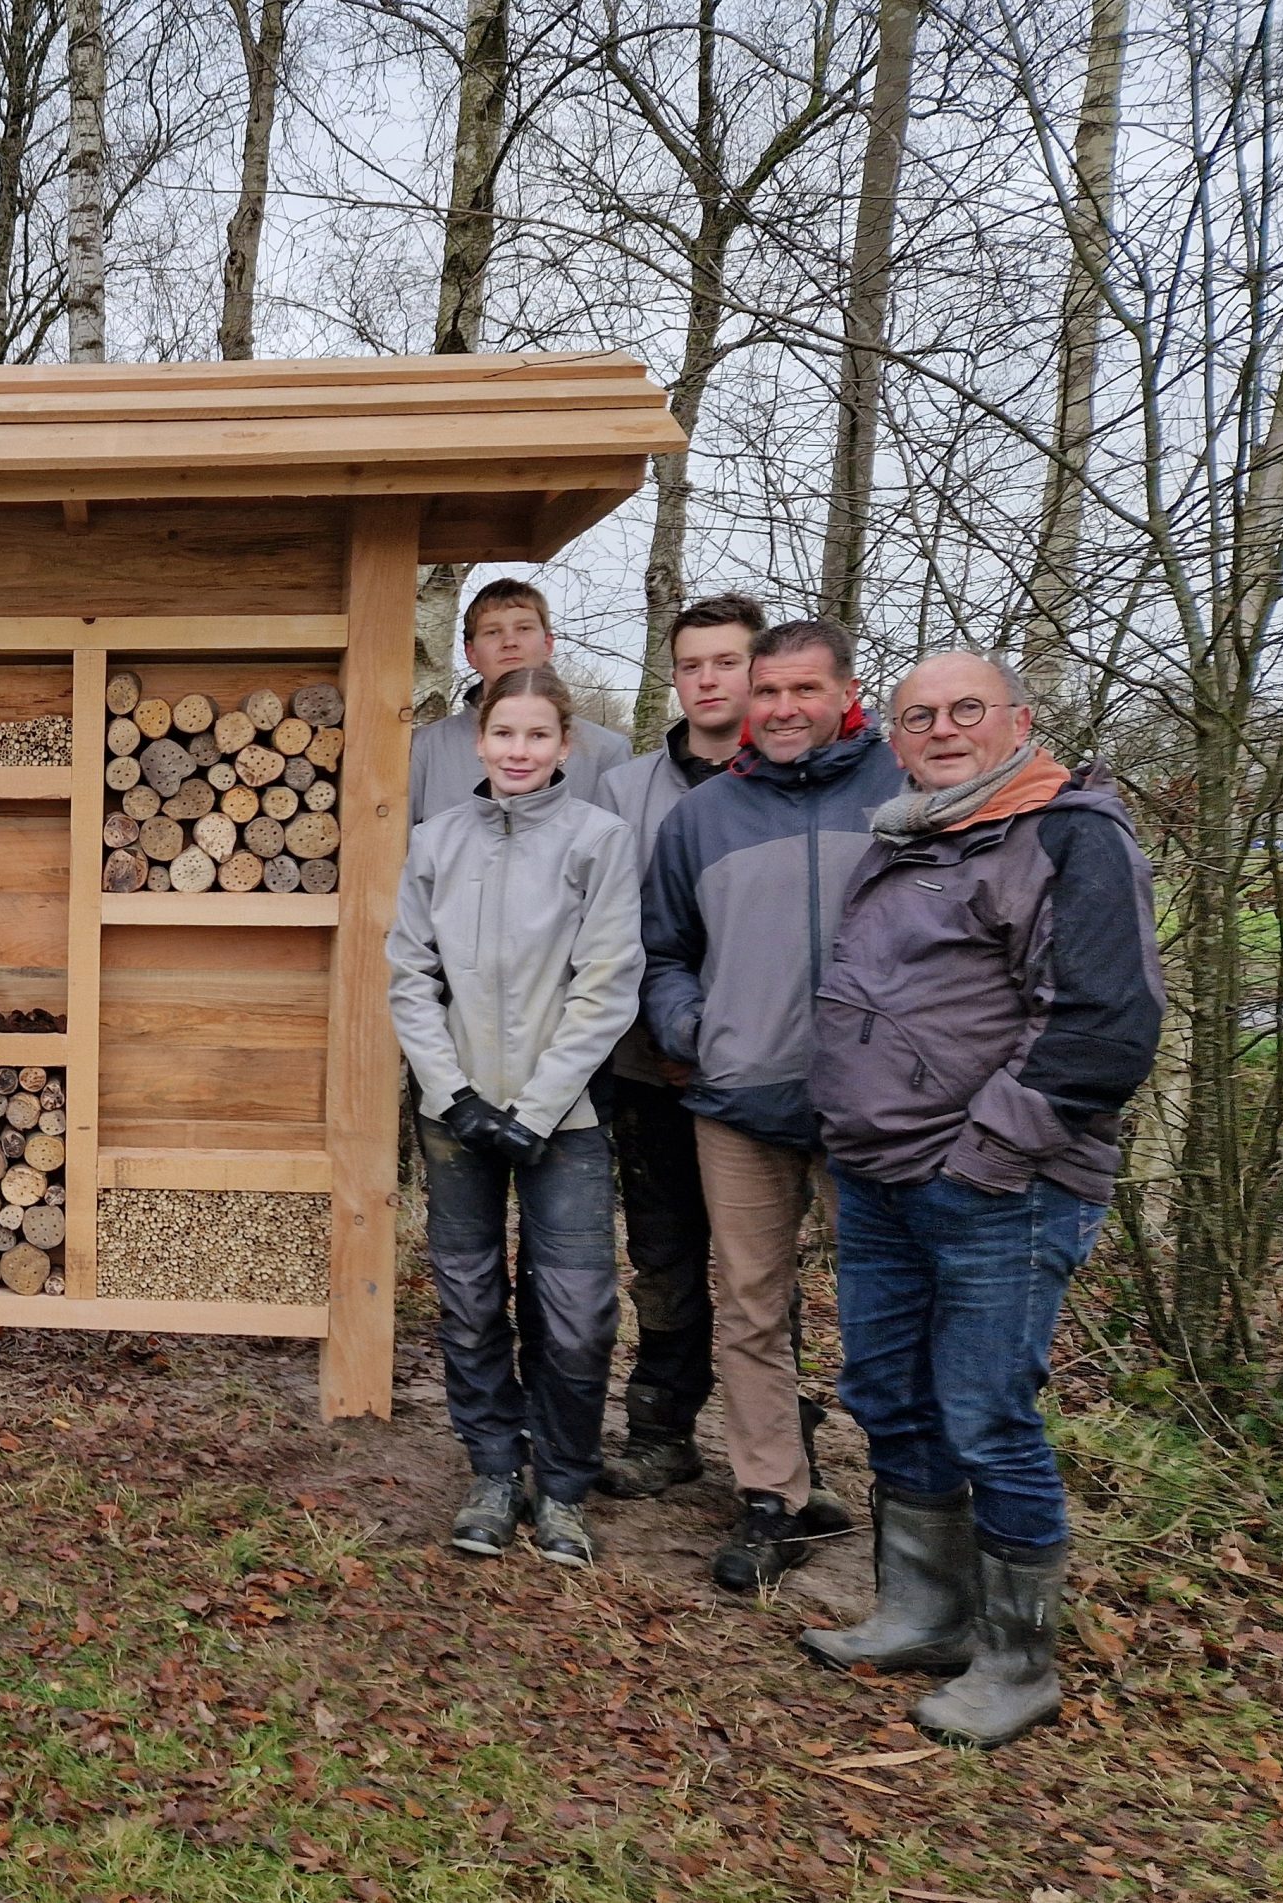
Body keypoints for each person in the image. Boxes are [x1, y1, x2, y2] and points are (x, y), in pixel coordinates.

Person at [802, 652, 1161, 1748]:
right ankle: (925, 1612)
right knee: (890, 1395)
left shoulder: (1070, 837)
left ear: (1019, 720)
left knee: (986, 1415)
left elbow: (1101, 1029)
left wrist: (983, 1159)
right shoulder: (913, 833)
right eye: (918, 716)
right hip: (880, 1178)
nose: (943, 729)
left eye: (967, 709)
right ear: (893, 737)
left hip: (999, 1186)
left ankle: (1016, 1662)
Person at [641, 616, 903, 1591]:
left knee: (891, 1312)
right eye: (769, 691)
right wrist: (692, 1030)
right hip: (741, 1098)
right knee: (750, 1307)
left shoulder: (905, 792)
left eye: (805, 689)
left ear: (846, 692)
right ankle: (772, 1497)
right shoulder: (703, 816)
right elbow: (662, 948)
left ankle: (915, 1507)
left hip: (882, 1106)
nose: (784, 708)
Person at [387, 666, 642, 1568]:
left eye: (537, 735)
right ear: (480, 741)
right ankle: (494, 1469)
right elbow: (410, 977)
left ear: (565, 744)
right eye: (504, 734)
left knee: (574, 1308)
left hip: (562, 1119)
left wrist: (536, 1109)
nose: (519, 751)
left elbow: (607, 984)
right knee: (468, 1297)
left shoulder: (599, 841)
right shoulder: (436, 842)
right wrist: (453, 1093)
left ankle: (563, 1485)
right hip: (456, 1114)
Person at [590, 594, 759, 1499]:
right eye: (691, 665)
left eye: (726, 662)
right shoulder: (628, 792)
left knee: (760, 1266)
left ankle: (779, 1449)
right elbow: (607, 928)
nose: (707, 680)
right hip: (649, 1066)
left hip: (768, 1072)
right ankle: (662, 1427)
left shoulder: (792, 781)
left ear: (756, 670)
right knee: (663, 1252)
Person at [409, 579, 631, 825]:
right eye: (493, 632)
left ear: (547, 644)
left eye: (524, 628)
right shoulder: (425, 748)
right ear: (471, 654)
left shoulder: (605, 751)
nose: (510, 642)